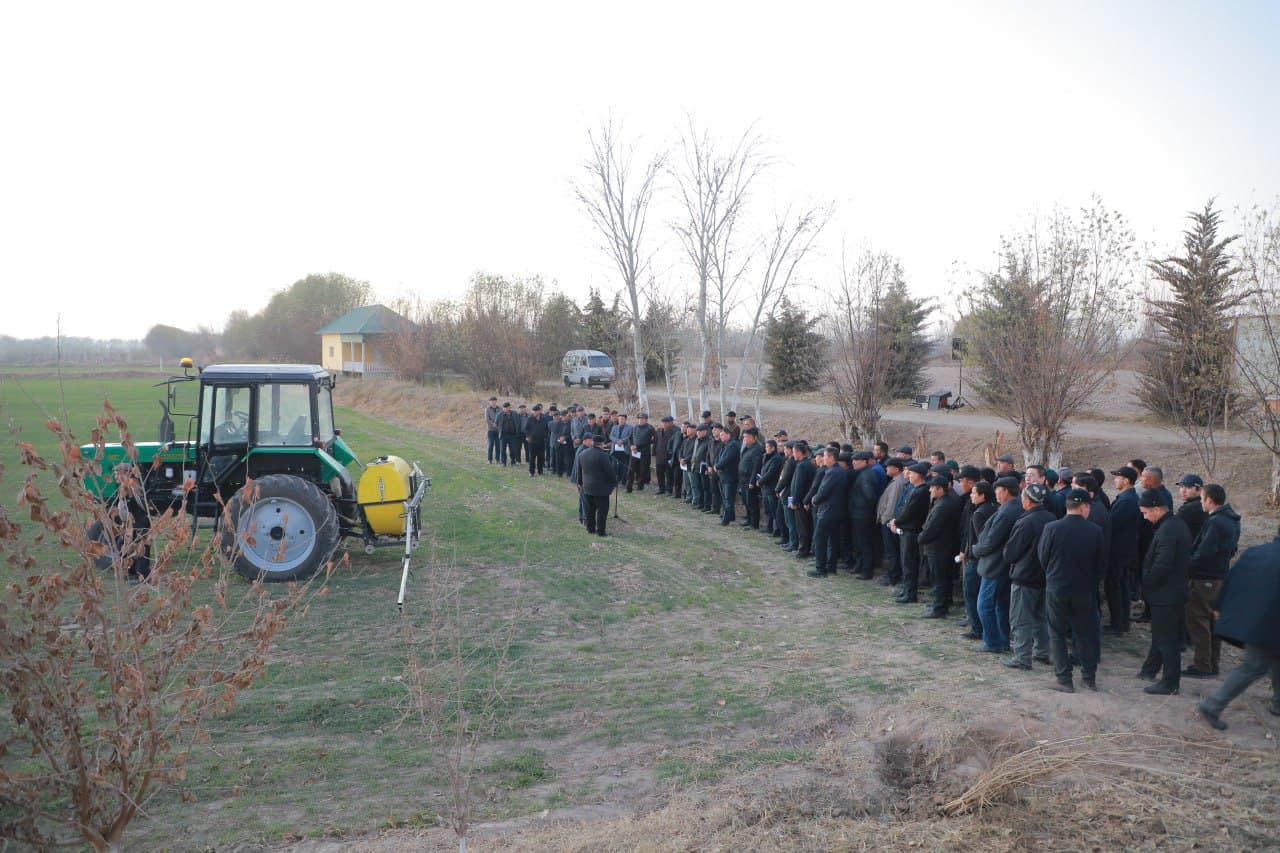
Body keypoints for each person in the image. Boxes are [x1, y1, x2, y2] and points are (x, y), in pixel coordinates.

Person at [1196, 526, 1280, 730]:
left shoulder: (1256, 552)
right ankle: (1212, 705)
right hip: (1270, 626)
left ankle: (1278, 701)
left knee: (1274, 659)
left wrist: (1218, 606)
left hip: (1255, 622)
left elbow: (1231, 579)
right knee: (1254, 666)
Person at [1038, 489, 1106, 692]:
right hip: (1084, 589)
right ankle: (1089, 677)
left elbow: (1043, 557)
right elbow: (1101, 565)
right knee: (1085, 634)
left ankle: (1064, 678)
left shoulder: (1052, 528)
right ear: (1084, 506)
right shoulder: (1095, 530)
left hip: (1057, 587)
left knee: (1057, 633)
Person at [1136, 489, 1192, 695]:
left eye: (1145, 513)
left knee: (1167, 639)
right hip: (1173, 591)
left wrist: (1147, 582)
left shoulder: (1169, 529)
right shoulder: (1174, 524)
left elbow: (1163, 563)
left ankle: (1170, 683)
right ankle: (1150, 669)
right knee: (1162, 635)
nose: (1144, 517)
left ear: (1157, 509)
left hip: (1166, 593)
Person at [1183, 484, 1240, 678]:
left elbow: (1204, 552)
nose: (1200, 502)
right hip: (1219, 576)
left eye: (1202, 499)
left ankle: (1202, 665)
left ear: (1209, 500)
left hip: (1205, 578)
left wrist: (1187, 567)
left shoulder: (1215, 522)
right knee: (1212, 623)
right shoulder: (1231, 519)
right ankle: (1211, 663)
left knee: (1199, 621)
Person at [1002, 483, 1054, 670]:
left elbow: (1011, 552)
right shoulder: (1051, 517)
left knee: (1020, 618)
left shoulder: (1025, 522)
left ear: (1028, 500)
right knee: (1041, 616)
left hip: (1025, 576)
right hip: (1044, 575)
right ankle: (1042, 651)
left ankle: (1022, 657)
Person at [971, 477, 1025, 653]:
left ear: (1006, 491)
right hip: (1004, 565)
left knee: (984, 604)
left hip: (995, 565)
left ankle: (993, 642)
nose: (995, 493)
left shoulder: (1007, 511)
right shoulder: (1015, 507)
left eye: (998, 490)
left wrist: (975, 550)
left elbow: (990, 541)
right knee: (1001, 605)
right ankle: (1002, 640)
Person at [918, 474, 963, 617]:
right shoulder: (949, 499)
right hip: (946, 545)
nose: (930, 491)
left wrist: (921, 538)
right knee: (945, 577)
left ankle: (939, 607)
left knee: (939, 578)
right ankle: (945, 601)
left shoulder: (943, 505)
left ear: (939, 489)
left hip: (939, 547)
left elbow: (932, 527)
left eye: (932, 488)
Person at [1106, 465, 1141, 635]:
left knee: (1116, 587)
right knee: (1121, 586)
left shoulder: (1127, 501)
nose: (1115, 480)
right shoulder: (1128, 498)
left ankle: (1118, 624)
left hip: (1120, 551)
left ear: (1126, 480)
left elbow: (1113, 524)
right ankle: (1121, 622)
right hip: (1125, 550)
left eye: (1118, 477)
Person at [890, 462, 931, 604]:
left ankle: (910, 593)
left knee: (909, 563)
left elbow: (909, 512)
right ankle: (907, 589)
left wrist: (896, 521)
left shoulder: (921, 491)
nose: (909, 475)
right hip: (908, 529)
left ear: (919, 476)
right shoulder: (915, 489)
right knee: (906, 562)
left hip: (911, 530)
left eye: (912, 473)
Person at [962, 481, 997, 641]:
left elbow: (980, 539)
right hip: (987, 559)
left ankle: (976, 627)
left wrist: (970, 552)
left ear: (982, 495)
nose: (971, 496)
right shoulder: (994, 508)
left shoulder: (979, 513)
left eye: (974, 493)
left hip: (976, 559)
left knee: (971, 594)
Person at [808, 448, 844, 577]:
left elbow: (824, 490)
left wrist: (815, 500)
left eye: (824, 456)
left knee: (820, 538)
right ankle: (831, 566)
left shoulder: (832, 472)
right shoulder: (840, 471)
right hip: (837, 510)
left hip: (828, 510)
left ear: (831, 458)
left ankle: (821, 568)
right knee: (833, 539)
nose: (822, 459)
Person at [575, 433, 617, 537]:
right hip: (600, 489)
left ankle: (590, 528)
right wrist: (614, 482)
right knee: (602, 510)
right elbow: (609, 471)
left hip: (587, 487)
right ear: (601, 444)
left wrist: (580, 482)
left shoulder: (583, 453)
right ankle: (601, 531)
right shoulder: (603, 455)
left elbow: (580, 471)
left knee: (590, 509)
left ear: (593, 442)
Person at [877, 458, 907, 586]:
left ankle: (893, 576)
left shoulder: (897, 483)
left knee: (892, 551)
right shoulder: (896, 481)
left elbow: (892, 504)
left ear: (896, 469)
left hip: (889, 522)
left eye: (888, 467)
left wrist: (886, 520)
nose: (886, 469)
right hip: (890, 521)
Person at [714, 425, 741, 525]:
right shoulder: (725, 445)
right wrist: (716, 465)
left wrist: (718, 466)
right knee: (725, 497)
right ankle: (731, 516)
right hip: (724, 475)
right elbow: (719, 457)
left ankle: (726, 519)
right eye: (720, 435)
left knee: (728, 498)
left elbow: (727, 459)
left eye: (722, 435)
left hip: (730, 475)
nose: (720, 437)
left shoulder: (733, 445)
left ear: (728, 435)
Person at [738, 428, 764, 529]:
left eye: (746, 437)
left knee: (752, 503)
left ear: (753, 438)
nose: (744, 439)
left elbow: (756, 467)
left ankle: (754, 523)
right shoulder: (748, 447)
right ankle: (749, 520)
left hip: (750, 480)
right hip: (743, 480)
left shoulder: (757, 449)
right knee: (746, 502)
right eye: (744, 437)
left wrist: (752, 481)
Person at [1175, 474, 1207, 542]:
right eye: (1181, 487)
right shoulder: (1206, 504)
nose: (1183, 491)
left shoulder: (1188, 509)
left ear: (1199, 489)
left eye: (1188, 487)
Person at [629, 413, 655, 492]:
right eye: (639, 418)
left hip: (644, 452)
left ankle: (640, 485)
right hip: (634, 451)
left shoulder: (650, 428)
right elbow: (630, 438)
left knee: (643, 470)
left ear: (646, 420)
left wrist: (637, 446)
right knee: (631, 469)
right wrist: (631, 446)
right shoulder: (635, 427)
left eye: (642, 418)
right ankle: (629, 485)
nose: (640, 420)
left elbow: (650, 440)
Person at [524, 404, 549, 476]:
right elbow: (526, 429)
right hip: (532, 442)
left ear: (539, 411)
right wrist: (528, 436)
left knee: (541, 457)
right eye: (534, 411)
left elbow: (547, 430)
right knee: (532, 457)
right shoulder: (530, 419)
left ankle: (540, 471)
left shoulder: (544, 420)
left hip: (541, 441)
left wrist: (545, 435)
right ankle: (531, 472)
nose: (534, 413)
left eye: (536, 411)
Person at [484, 396, 502, 463]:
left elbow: (501, 418)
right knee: (490, 445)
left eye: (494, 401)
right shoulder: (487, 409)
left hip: (498, 430)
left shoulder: (500, 409)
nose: (493, 402)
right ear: (489, 402)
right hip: (490, 430)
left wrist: (498, 425)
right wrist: (493, 424)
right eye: (491, 401)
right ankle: (489, 460)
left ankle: (497, 459)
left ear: (496, 401)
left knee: (498, 445)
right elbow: (487, 419)